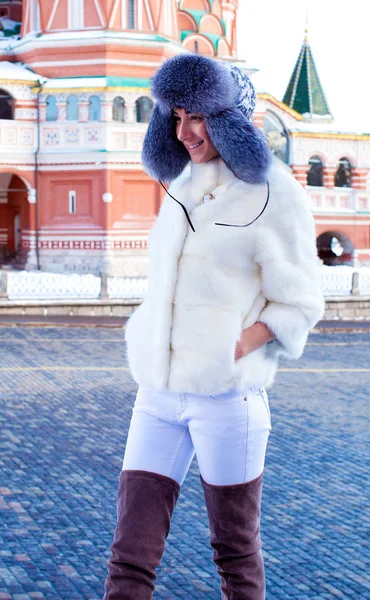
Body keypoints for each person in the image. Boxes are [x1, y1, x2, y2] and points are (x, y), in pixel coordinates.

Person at [104, 54, 325, 600]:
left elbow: (300, 300)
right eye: (175, 116)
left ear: (230, 117)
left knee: (235, 550)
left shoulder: (276, 195)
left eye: (196, 116)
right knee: (130, 553)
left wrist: (240, 343)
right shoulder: (182, 182)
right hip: (157, 391)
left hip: (227, 397)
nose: (183, 132)